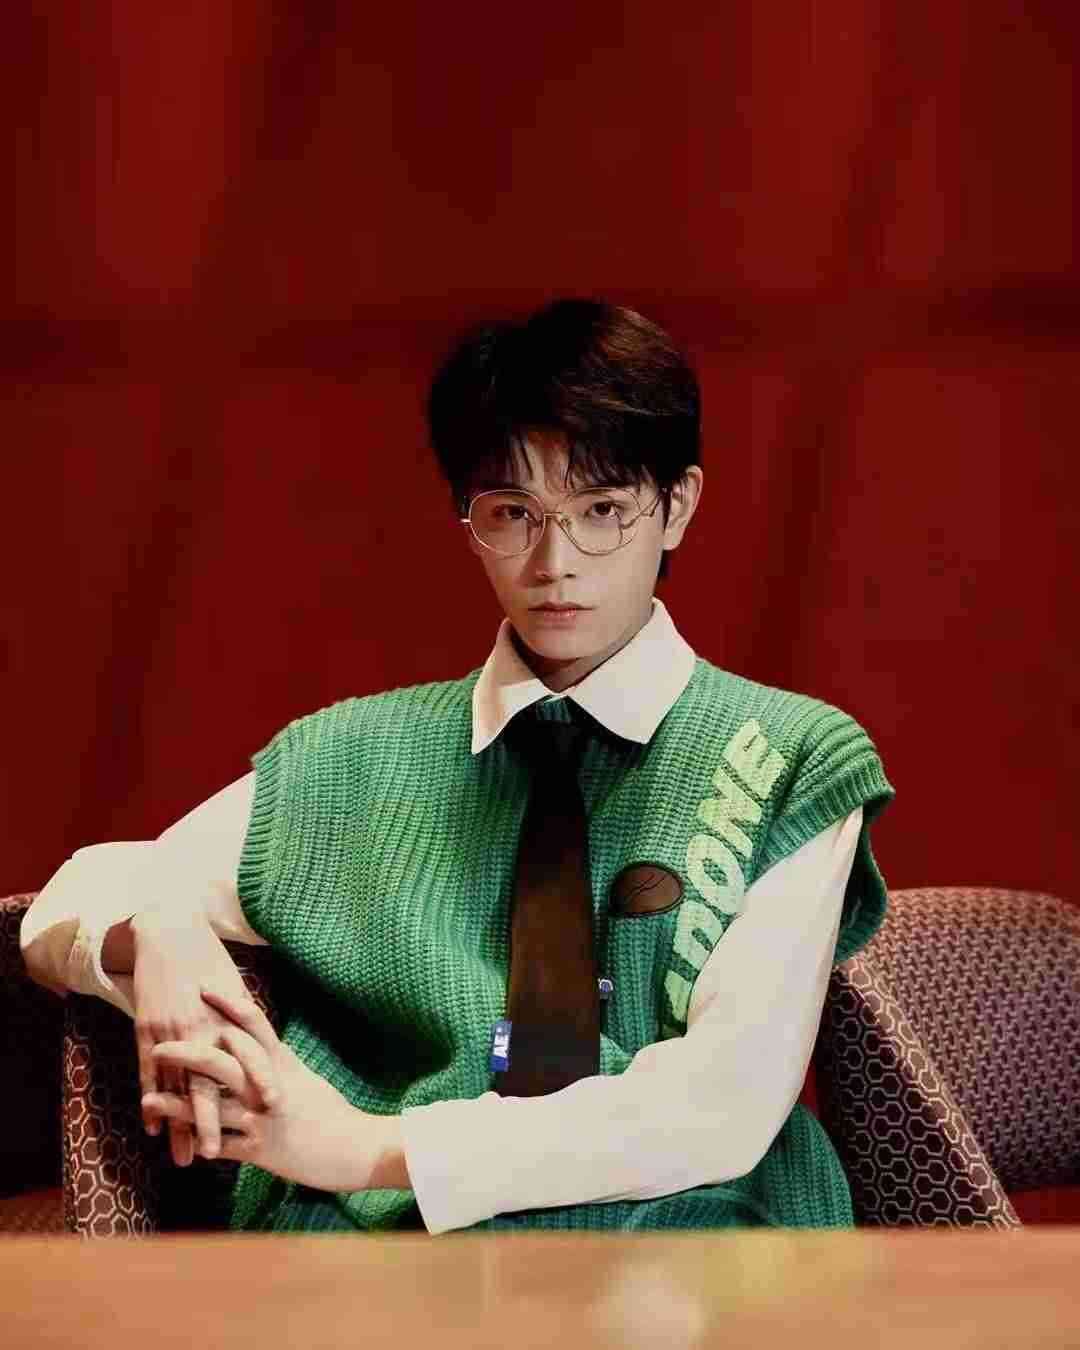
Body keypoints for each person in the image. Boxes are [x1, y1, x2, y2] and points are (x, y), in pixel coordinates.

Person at [21, 298, 895, 1235]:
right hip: (389, 1253)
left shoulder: (793, 756)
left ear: (676, 505)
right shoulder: (351, 758)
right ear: (469, 518)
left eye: (602, 511)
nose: (554, 561)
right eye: (512, 513)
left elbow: (723, 1107)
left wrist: (371, 1149)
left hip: (690, 1237)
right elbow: (68, 899)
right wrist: (161, 934)